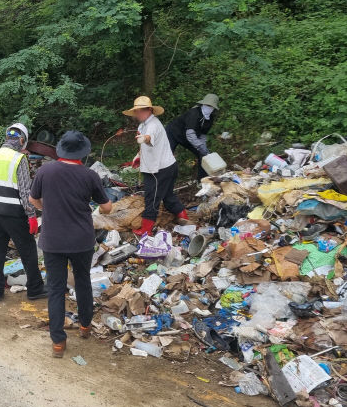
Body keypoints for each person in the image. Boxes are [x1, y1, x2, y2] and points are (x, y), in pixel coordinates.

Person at [29, 131, 112, 358]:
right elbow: (107, 208)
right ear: (83, 153)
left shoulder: (45, 171)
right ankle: (85, 326)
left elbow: (33, 199)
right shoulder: (90, 175)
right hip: (81, 240)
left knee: (56, 289)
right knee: (82, 281)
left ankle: (58, 342)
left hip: (53, 240)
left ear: (61, 150)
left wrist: (48, 208)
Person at [0, 123, 47, 304]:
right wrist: (32, 216)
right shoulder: (19, 159)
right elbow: (26, 191)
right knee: (27, 250)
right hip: (13, 213)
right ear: (21, 140)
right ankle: (35, 289)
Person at [124, 96, 190, 237]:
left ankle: (146, 229)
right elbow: (145, 145)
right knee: (167, 195)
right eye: (136, 111)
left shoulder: (153, 125)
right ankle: (182, 215)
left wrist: (144, 139)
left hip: (159, 170)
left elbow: (148, 138)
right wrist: (139, 157)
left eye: (141, 111)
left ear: (149, 110)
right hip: (167, 166)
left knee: (151, 198)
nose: (138, 114)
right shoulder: (143, 125)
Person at [166, 94, 220, 181]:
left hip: (189, 138)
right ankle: (163, 180)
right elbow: (190, 134)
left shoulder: (209, 118)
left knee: (203, 155)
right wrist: (200, 146)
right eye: (207, 105)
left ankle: (202, 180)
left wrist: (203, 148)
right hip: (173, 132)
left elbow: (203, 135)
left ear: (214, 108)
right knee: (166, 156)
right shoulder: (194, 113)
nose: (209, 107)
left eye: (211, 106)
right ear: (203, 104)